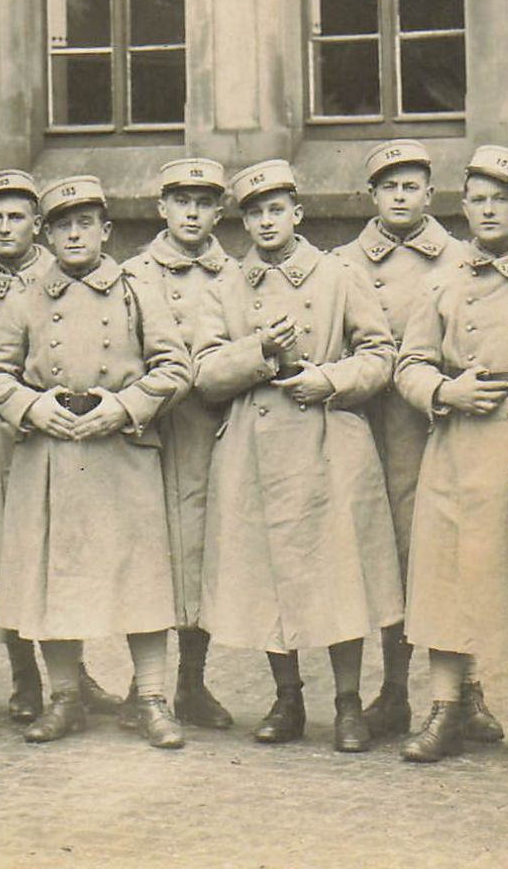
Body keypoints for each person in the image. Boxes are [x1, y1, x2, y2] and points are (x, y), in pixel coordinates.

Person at [193, 159, 402, 753]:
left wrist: (329, 381)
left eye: (276, 210)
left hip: (329, 443)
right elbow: (204, 375)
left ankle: (347, 704)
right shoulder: (225, 287)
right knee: (268, 577)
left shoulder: (340, 276)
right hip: (254, 451)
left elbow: (380, 356)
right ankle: (287, 698)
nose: (265, 222)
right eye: (254, 213)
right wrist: (257, 349)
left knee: (340, 577)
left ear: (297, 213)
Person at [0, 175, 192, 748]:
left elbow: (175, 367)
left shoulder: (137, 288)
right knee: (56, 580)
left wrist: (124, 407)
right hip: (51, 453)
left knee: (140, 579)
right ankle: (65, 697)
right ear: (46, 233)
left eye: (85, 224)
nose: (74, 235)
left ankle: (149, 697)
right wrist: (32, 406)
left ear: (106, 231)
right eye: (62, 225)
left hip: (121, 451)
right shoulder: (26, 296)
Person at [392, 146, 508, 763]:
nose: (488, 211)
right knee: (446, 577)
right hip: (455, 444)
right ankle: (447, 708)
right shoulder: (440, 281)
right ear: (463, 206)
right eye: (478, 199)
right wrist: (445, 390)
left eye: (502, 199)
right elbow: (408, 364)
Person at [0, 170, 120, 723]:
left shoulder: (67, 280)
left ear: (38, 226)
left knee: (66, 550)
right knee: (7, 558)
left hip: (62, 436)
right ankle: (26, 675)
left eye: (17, 216)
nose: (6, 228)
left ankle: (76, 677)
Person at [333, 140, 478, 741]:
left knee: (447, 549)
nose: (400, 196)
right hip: (365, 422)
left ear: (430, 194)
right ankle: (393, 691)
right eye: (388, 186)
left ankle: (468, 693)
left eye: (411, 185)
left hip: (437, 422)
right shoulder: (340, 263)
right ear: (371, 196)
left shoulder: (462, 258)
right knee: (382, 552)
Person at [119, 157, 238, 731]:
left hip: (210, 427)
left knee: (201, 553)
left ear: (219, 211)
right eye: (181, 201)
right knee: (145, 552)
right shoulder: (132, 274)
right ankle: (144, 689)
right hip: (146, 428)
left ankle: (191, 682)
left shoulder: (236, 275)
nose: (192, 213)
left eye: (204, 203)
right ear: (160, 207)